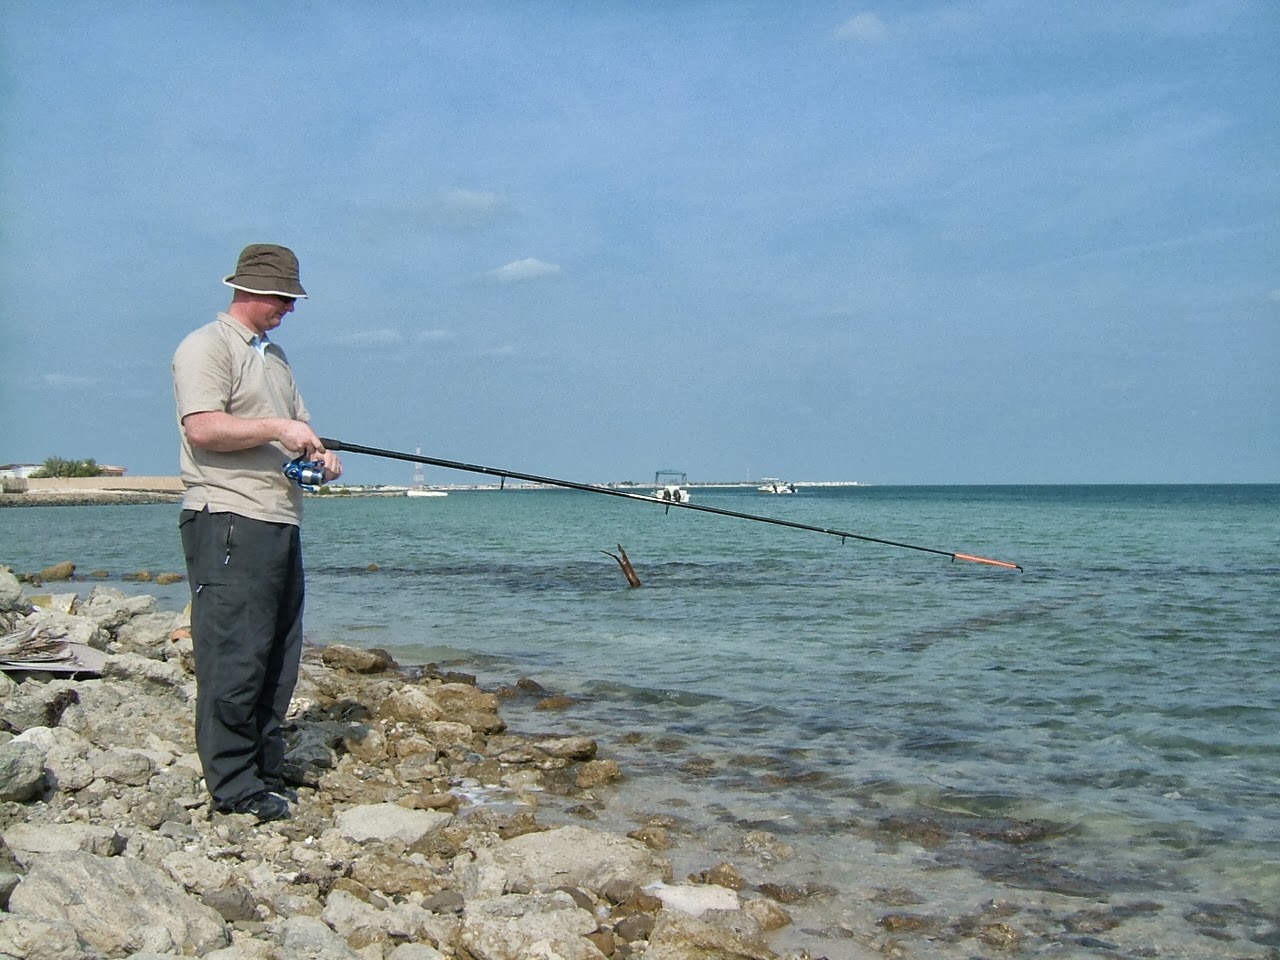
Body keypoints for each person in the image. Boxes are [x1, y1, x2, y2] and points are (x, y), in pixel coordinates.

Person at [172, 243, 341, 822]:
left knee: (278, 654)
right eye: (283, 298)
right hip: (227, 519)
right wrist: (279, 427)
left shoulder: (275, 357)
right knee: (235, 656)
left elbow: (298, 430)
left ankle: (264, 771)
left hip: (279, 518)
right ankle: (234, 788)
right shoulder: (205, 347)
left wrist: (320, 455)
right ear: (250, 290)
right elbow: (204, 429)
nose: (290, 309)